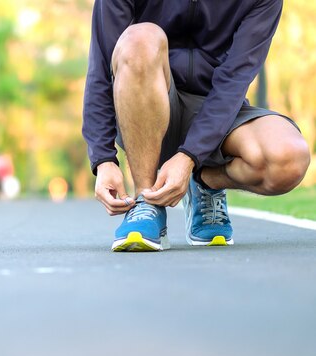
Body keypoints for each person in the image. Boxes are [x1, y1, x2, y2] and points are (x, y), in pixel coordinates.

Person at [82, 0, 311, 252]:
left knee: (289, 158)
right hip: (144, 106)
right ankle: (146, 200)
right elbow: (101, 68)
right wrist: (103, 159)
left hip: (217, 108)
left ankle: (205, 182)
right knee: (140, 38)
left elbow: (234, 81)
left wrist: (190, 156)